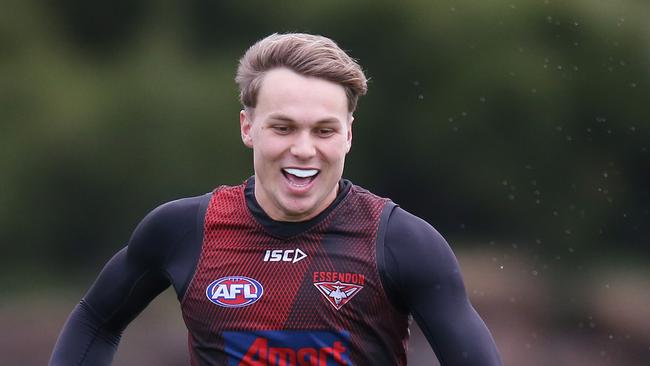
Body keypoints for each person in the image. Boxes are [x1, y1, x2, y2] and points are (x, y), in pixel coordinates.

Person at [49, 32, 502, 366]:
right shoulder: (182, 230)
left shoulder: (402, 242)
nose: (303, 149)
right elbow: (96, 321)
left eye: (323, 130)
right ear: (248, 128)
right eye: (283, 128)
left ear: (348, 135)